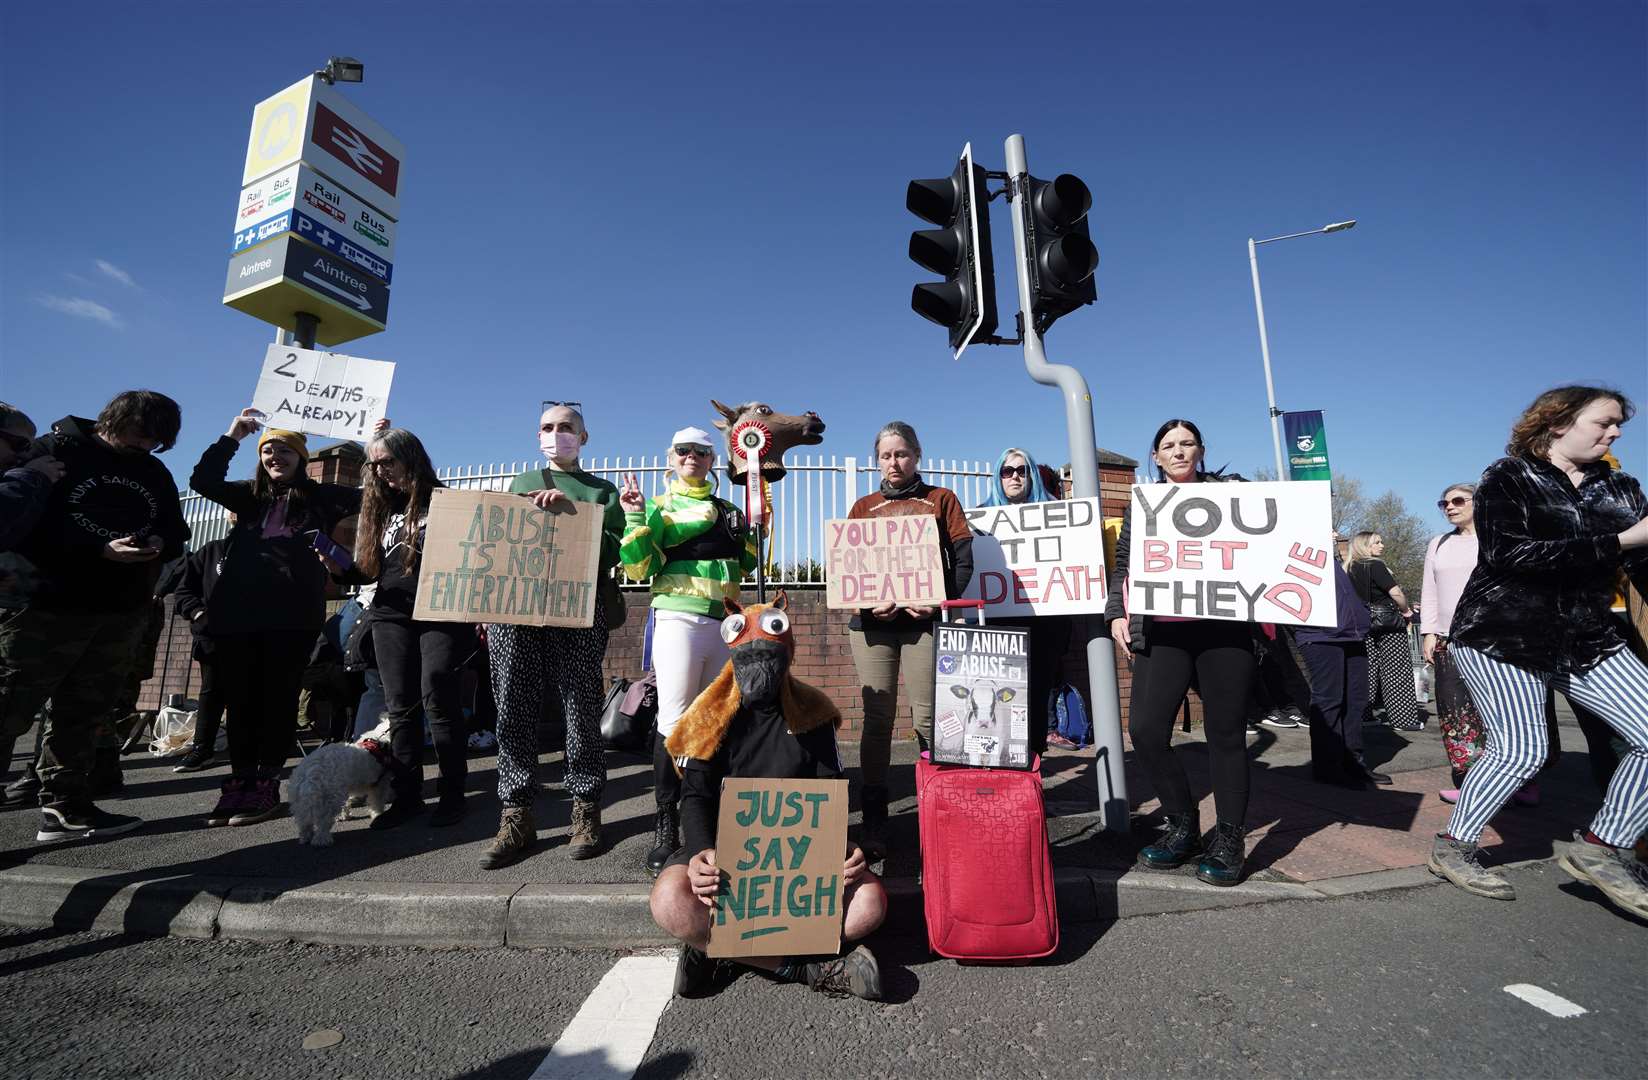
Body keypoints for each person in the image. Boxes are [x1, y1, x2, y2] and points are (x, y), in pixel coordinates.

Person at [1428, 386, 1648, 919]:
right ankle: (1454, 847)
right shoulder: (1509, 477)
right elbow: (1510, 555)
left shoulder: (1620, 489)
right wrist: (1621, 542)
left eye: (1619, 424)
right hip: (1504, 634)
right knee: (1521, 750)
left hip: (1587, 637)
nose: (1614, 432)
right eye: (1604, 422)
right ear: (1557, 423)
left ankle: (1602, 848)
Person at [648, 595, 886, 1001]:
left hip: (797, 862)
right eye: (748, 657)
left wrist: (842, 847)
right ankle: (803, 968)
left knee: (870, 903)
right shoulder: (710, 717)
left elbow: (830, 794)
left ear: (787, 655)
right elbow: (695, 795)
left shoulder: (814, 714)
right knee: (669, 900)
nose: (759, 666)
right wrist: (701, 851)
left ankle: (717, 951)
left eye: (770, 657)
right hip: (723, 858)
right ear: (733, 657)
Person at [0, 391, 189, 841]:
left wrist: (160, 543)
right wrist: (96, 549)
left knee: (84, 713)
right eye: (140, 437)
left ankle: (66, 807)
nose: (146, 448)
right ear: (115, 420)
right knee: (9, 706)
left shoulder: (152, 470)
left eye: (156, 443)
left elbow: (175, 528)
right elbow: (17, 521)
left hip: (118, 609)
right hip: (45, 605)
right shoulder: (52, 450)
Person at [1104, 418, 1256, 886]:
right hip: (1163, 630)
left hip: (1224, 629)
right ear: (1155, 456)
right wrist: (1116, 613)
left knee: (1225, 734)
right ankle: (1183, 824)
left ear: (1201, 449)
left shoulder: (1232, 493)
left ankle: (1230, 838)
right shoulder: (1144, 503)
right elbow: (1126, 561)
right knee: (1147, 730)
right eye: (1168, 445)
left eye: (1187, 443)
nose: (1178, 451)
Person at [190, 413, 360, 826]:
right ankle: (239, 782)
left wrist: (375, 443)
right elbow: (202, 481)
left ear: (302, 457)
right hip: (238, 613)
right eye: (267, 449)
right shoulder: (249, 496)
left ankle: (266, 781)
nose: (274, 456)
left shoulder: (323, 498)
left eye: (284, 449)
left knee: (278, 697)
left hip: (292, 615)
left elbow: (376, 495)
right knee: (241, 700)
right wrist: (233, 436)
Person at [480, 403, 624, 869]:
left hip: (579, 608)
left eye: (566, 427)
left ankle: (585, 808)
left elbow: (612, 553)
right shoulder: (521, 484)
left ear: (583, 438)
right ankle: (516, 813)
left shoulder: (604, 491)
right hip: (517, 611)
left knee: (580, 705)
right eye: (548, 427)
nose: (556, 434)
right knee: (512, 708)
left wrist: (573, 515)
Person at [620, 426, 757, 877]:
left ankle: (705, 817)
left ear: (712, 459)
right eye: (684, 450)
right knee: (675, 720)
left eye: (701, 451)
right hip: (677, 618)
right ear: (672, 457)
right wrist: (636, 518)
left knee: (716, 720)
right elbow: (639, 565)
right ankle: (666, 824)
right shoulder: (659, 506)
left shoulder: (730, 510)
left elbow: (751, 564)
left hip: (724, 623)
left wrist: (758, 526)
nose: (692, 457)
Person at [845, 421, 973, 860]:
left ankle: (937, 808)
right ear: (876, 460)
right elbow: (850, 570)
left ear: (917, 455)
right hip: (875, 627)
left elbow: (962, 560)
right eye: (885, 455)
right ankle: (875, 813)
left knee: (930, 718)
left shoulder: (942, 500)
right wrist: (866, 606)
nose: (893, 462)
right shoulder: (864, 506)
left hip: (923, 624)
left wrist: (939, 603)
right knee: (877, 717)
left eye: (901, 454)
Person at [339, 424, 474, 830]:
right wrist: (338, 565)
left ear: (411, 457)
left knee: (438, 697)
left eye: (388, 462)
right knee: (400, 706)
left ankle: (452, 794)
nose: (381, 471)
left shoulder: (445, 499)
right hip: (390, 613)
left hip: (441, 612)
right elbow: (367, 572)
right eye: (374, 465)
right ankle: (407, 795)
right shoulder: (379, 507)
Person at [974, 447, 1072, 758]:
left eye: (1022, 470)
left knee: (1037, 700)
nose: (1015, 476)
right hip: (1000, 624)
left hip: (1046, 625)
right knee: (1002, 703)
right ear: (997, 477)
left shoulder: (1059, 513)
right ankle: (1005, 774)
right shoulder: (980, 517)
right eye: (1007, 470)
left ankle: (1033, 771)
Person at [1421, 483, 1499, 804]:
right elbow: (1430, 589)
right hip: (1448, 639)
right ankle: (1468, 782)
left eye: (1457, 501)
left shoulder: (1498, 539)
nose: (1450, 507)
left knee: (1499, 708)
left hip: (1494, 638)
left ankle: (1519, 782)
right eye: (1444, 503)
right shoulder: (1438, 544)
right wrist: (1428, 630)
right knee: (1454, 710)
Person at [1296, 558, 1387, 787]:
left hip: (1351, 632)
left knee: (1355, 699)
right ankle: (1328, 767)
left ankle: (1353, 762)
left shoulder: (1329, 553)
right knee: (1329, 698)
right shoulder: (1296, 546)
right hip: (1319, 634)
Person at [1344, 531, 1422, 731]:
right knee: (1396, 669)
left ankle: (1363, 715)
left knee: (1365, 670)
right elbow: (1395, 593)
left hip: (1360, 622)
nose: (1382, 545)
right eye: (1377, 542)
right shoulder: (1376, 565)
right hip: (1388, 622)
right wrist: (1406, 612)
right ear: (1365, 546)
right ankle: (1403, 719)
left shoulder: (1347, 568)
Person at [170, 538, 227, 772]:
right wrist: (197, 612)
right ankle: (203, 748)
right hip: (213, 636)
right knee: (211, 693)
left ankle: (256, 753)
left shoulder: (268, 549)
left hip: (255, 635)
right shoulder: (212, 550)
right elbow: (184, 589)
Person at [0, 403, 64, 552]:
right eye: (19, 444)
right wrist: (30, 476)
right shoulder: (27, 477)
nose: (24, 456)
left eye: (28, 448)